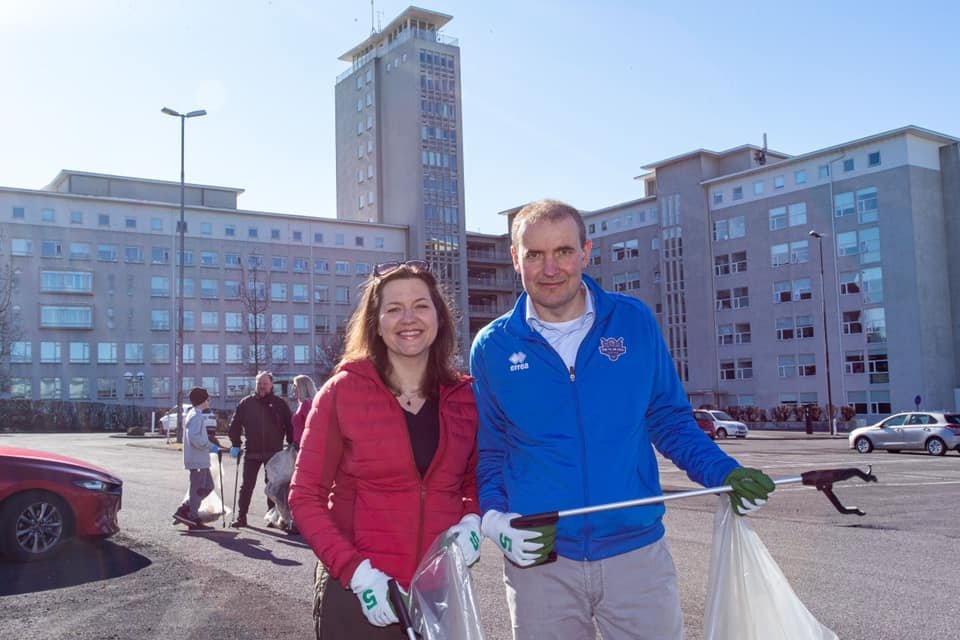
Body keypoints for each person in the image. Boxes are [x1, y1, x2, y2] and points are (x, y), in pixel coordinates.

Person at [470, 199, 776, 640]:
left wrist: (726, 474)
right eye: (534, 254)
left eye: (563, 251)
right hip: (540, 561)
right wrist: (496, 520)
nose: (550, 268)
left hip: (636, 556)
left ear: (586, 253)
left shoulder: (633, 322)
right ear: (515, 259)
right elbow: (491, 451)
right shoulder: (493, 346)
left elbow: (670, 421)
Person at [289, 260, 482, 639]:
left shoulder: (465, 398)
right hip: (362, 594)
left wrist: (472, 519)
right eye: (393, 309)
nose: (408, 318)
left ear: (439, 318)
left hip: (437, 592)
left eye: (420, 306)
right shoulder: (341, 393)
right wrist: (357, 573)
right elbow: (303, 497)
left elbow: (476, 479)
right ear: (376, 323)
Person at [228, 370, 294, 528]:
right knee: (247, 486)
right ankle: (241, 517)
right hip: (252, 451)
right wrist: (235, 443)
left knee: (273, 486)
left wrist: (292, 444)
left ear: (271, 385)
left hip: (274, 452)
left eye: (265, 384)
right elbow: (235, 425)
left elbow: (290, 425)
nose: (262, 386)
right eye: (259, 383)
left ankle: (272, 517)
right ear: (255, 384)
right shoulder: (246, 403)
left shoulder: (280, 404)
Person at [172, 387, 222, 530]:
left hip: (200, 459)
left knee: (208, 486)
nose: (209, 400)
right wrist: (209, 445)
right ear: (203, 400)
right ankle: (193, 517)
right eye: (207, 398)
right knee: (198, 488)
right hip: (197, 459)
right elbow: (195, 437)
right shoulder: (196, 416)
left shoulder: (195, 414)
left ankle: (185, 509)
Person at [291, 374, 318, 448]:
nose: (292, 388)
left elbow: (313, 426)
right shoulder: (305, 404)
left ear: (302, 387)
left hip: (304, 445)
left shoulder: (306, 404)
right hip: (301, 445)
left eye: (295, 385)